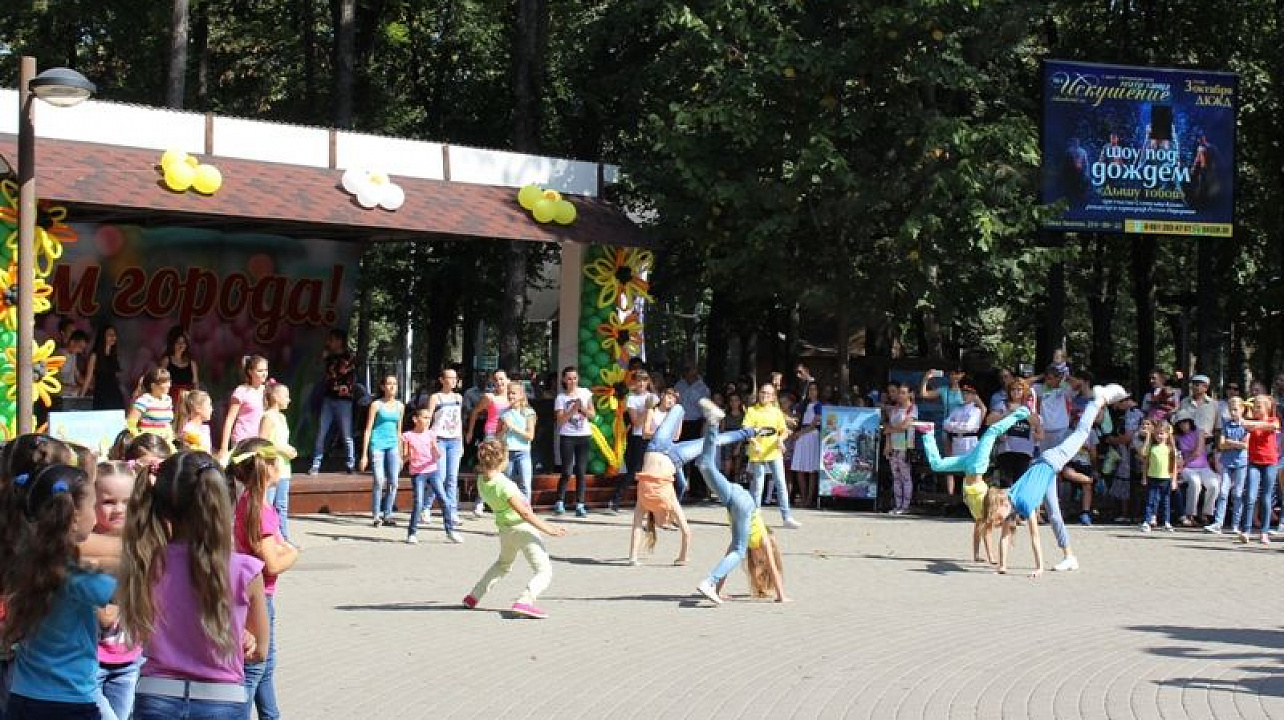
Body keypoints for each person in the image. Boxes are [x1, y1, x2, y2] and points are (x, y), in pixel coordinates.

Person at [119, 451, 269, 720]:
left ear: (162, 505)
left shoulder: (144, 563)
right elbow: (259, 653)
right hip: (222, 697)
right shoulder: (246, 570)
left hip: (157, 694)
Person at [2, 464, 113, 720]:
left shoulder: (21, 563)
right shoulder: (73, 575)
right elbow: (126, 594)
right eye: (93, 505)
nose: (96, 515)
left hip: (22, 697)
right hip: (69, 700)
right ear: (74, 517)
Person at [997, 384, 1127, 575]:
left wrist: (1034, 568)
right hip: (1048, 468)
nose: (1001, 517)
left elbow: (1011, 535)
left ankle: (1099, 401)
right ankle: (1069, 556)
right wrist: (1005, 567)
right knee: (1054, 515)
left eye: (999, 514)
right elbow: (1025, 537)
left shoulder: (1012, 497)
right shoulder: (1023, 506)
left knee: (1082, 433)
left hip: (1050, 460)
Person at [692, 400, 790, 604]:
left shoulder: (741, 538)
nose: (762, 557)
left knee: (705, 465)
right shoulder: (763, 537)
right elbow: (773, 567)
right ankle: (709, 582)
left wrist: (718, 592)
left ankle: (712, 422)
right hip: (743, 502)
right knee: (737, 551)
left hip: (732, 498)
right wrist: (782, 597)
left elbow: (726, 563)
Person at [228, 439, 298, 720]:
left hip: (253, 594)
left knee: (264, 667)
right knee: (255, 667)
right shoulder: (259, 510)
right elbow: (271, 564)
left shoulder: (250, 502)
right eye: (276, 460)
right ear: (265, 466)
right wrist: (293, 553)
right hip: (259, 597)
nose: (280, 466)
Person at [462, 440, 566, 619]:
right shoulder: (505, 485)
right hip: (522, 529)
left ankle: (474, 596)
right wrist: (549, 529)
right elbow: (524, 513)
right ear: (502, 460)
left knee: (503, 564)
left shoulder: (482, 480)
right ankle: (525, 601)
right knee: (544, 570)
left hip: (505, 529)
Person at [914, 405, 1032, 562]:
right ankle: (1019, 414)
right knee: (991, 432)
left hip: (968, 466)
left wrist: (977, 556)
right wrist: (992, 557)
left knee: (937, 465)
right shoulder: (989, 509)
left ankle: (928, 432)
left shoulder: (981, 518)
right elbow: (987, 533)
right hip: (977, 467)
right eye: (999, 519)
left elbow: (979, 532)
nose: (997, 520)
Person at [92, 461, 142, 720]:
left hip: (129, 659)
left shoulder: (141, 543)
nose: (119, 509)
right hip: (90, 661)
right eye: (109, 501)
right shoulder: (84, 546)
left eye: (127, 501)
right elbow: (105, 614)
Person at [744, 383, 800, 527]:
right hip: (758, 454)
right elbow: (746, 430)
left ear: (773, 397)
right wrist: (754, 443)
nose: (764, 395)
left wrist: (781, 440)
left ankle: (787, 517)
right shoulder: (751, 411)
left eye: (768, 394)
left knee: (781, 484)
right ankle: (754, 519)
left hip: (774, 453)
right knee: (757, 487)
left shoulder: (776, 412)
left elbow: (784, 430)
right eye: (762, 392)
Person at [628, 451, 693, 567]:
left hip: (663, 452)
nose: (667, 521)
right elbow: (686, 532)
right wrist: (682, 558)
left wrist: (682, 558)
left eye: (664, 523)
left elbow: (636, 528)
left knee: (712, 441)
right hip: (663, 453)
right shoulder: (664, 502)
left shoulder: (652, 501)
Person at [401, 405, 455, 544]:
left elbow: (436, 453)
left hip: (432, 470)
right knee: (418, 502)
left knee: (444, 499)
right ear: (415, 419)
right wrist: (408, 456)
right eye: (424, 418)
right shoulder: (408, 436)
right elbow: (404, 457)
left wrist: (437, 452)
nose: (427, 421)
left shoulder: (431, 434)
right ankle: (412, 533)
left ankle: (450, 531)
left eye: (429, 418)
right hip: (418, 473)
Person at [309, 329, 357, 475]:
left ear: (339, 341)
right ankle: (316, 464)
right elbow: (323, 371)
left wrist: (329, 358)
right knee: (321, 432)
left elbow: (341, 371)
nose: (329, 342)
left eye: (332, 340)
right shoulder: (329, 357)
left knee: (346, 434)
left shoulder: (349, 356)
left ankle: (350, 463)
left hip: (344, 400)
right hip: (329, 398)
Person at [360, 374, 405, 527]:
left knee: (394, 481)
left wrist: (401, 453)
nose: (392, 387)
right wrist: (364, 455)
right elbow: (368, 429)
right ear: (383, 387)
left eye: (395, 384)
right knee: (379, 480)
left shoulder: (400, 406)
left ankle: (388, 514)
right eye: (389, 383)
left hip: (393, 444)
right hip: (377, 444)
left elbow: (399, 431)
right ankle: (376, 515)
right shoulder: (376, 405)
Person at [465, 370, 511, 518]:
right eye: (496, 380)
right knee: (489, 468)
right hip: (491, 434)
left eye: (502, 379)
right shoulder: (489, 397)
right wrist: (470, 431)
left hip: (508, 435)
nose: (500, 382)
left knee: (504, 469)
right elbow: (475, 412)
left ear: (507, 380)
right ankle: (480, 501)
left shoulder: (513, 397)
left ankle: (499, 501)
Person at [423, 367, 465, 529]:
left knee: (452, 478)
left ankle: (451, 511)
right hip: (439, 439)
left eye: (455, 378)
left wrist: (460, 442)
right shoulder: (436, 397)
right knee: (439, 477)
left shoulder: (458, 398)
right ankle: (426, 507)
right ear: (442, 380)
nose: (454, 381)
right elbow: (427, 418)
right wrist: (429, 441)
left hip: (454, 440)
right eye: (450, 377)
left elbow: (459, 421)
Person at [611, 371, 657, 514]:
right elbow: (636, 422)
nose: (641, 383)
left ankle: (652, 503)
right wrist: (647, 409)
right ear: (634, 383)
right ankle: (615, 499)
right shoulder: (632, 399)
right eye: (638, 381)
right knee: (634, 471)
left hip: (654, 436)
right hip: (639, 437)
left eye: (644, 380)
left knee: (653, 471)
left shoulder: (654, 397)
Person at [1237, 395, 1280, 546]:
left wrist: (1253, 424)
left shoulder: (1274, 420)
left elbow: (1273, 427)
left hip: (1270, 462)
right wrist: (1247, 420)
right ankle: (1246, 530)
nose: (1256, 409)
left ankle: (1264, 532)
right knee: (1250, 495)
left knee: (1266, 498)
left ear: (1267, 408)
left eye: (1259, 406)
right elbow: (1243, 424)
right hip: (1254, 462)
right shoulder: (1251, 422)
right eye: (1255, 406)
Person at [259, 382, 298, 541]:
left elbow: (282, 440)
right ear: (275, 397)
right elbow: (262, 442)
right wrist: (282, 449)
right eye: (286, 396)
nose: (289, 399)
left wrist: (290, 449)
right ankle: (267, 538)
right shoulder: (268, 417)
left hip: (284, 468)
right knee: (268, 504)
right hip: (271, 467)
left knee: (281, 506)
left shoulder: (282, 417)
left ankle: (283, 539)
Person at [554, 367, 595, 517]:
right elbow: (560, 420)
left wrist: (582, 408)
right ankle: (559, 501)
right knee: (566, 471)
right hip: (567, 436)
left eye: (575, 378)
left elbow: (592, 414)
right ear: (564, 380)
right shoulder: (561, 398)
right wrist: (572, 410)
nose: (572, 381)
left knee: (581, 472)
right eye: (569, 378)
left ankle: (580, 504)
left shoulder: (585, 393)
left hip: (584, 435)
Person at [989, 379, 1042, 488]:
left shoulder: (1028, 407)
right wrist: (1008, 413)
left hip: (1024, 451)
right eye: (1013, 389)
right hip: (1006, 449)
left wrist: (1021, 412)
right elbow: (989, 420)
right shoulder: (1002, 405)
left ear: (1024, 391)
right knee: (1005, 484)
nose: (1016, 392)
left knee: (1020, 485)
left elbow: (1037, 422)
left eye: (1019, 389)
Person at [1208, 396, 1248, 535]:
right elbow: (1221, 444)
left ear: (1242, 409)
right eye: (1231, 410)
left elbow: (1246, 445)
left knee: (1237, 494)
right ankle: (1218, 523)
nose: (1233, 413)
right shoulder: (1226, 424)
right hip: (1227, 462)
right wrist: (1234, 444)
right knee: (1223, 492)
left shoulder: (1246, 425)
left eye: (1236, 410)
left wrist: (1230, 443)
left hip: (1241, 463)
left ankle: (1235, 525)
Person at [218, 355, 268, 463]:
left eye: (266, 370)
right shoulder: (241, 391)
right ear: (250, 372)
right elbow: (230, 419)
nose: (264, 374)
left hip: (260, 441)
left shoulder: (267, 391)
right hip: (242, 440)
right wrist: (224, 447)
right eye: (260, 371)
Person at [1173, 411, 1217, 527]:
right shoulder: (1177, 436)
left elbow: (1198, 452)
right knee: (1195, 482)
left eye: (1185, 422)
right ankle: (1190, 514)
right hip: (1188, 468)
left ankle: (1206, 513)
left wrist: (1184, 461)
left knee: (1214, 484)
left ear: (1190, 422)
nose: (1183, 425)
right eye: (1180, 423)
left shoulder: (1199, 432)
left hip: (1202, 466)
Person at [882, 383, 916, 515]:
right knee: (896, 476)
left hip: (905, 445)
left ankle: (906, 505)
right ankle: (897, 505)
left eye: (903, 393)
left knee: (905, 476)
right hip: (894, 445)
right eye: (899, 393)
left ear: (909, 395)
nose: (900, 395)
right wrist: (887, 444)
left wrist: (891, 429)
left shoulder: (912, 408)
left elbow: (906, 425)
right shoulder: (894, 409)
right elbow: (889, 429)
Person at [1140, 421, 1179, 532]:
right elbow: (1145, 461)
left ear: (1167, 434)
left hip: (1166, 478)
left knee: (1166, 502)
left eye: (1162, 433)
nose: (1159, 436)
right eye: (1157, 434)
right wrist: (1144, 477)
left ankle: (1167, 522)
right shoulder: (1152, 448)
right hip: (1153, 477)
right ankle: (1147, 521)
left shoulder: (1170, 449)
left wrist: (1174, 480)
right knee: (1151, 500)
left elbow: (1174, 465)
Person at [501, 382, 537, 501]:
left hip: (523, 452)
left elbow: (530, 436)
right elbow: (498, 435)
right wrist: (503, 430)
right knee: (507, 482)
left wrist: (513, 427)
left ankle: (526, 510)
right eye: (509, 393)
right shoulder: (504, 413)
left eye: (514, 393)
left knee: (525, 483)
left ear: (521, 395)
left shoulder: (528, 412)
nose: (511, 396)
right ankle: (508, 509)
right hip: (507, 451)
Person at [790, 382, 822, 509]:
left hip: (811, 435)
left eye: (814, 389)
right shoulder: (803, 405)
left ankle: (809, 499)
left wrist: (801, 433)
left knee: (811, 469)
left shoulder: (819, 405)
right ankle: (803, 497)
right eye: (810, 390)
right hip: (801, 435)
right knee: (800, 468)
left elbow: (815, 423)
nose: (812, 392)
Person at [82, 325, 126, 411]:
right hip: (101, 393)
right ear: (103, 337)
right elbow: (89, 376)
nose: (113, 337)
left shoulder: (114, 355)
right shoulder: (95, 355)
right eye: (110, 335)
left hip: (115, 392)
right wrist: (81, 395)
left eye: (114, 335)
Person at [126, 367, 175, 442]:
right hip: (150, 444)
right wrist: (140, 440)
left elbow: (167, 423)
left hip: (167, 443)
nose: (169, 385)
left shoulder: (168, 400)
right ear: (153, 385)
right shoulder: (144, 401)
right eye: (165, 382)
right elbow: (131, 424)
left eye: (169, 382)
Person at [159, 330, 200, 408]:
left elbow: (195, 383)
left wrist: (196, 400)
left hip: (186, 401)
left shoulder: (192, 363)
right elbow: (160, 381)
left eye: (183, 342)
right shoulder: (166, 360)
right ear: (173, 344)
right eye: (178, 342)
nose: (181, 345)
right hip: (170, 400)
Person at [175, 389, 214, 453]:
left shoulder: (204, 428)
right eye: (209, 405)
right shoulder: (190, 430)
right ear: (198, 408)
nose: (211, 409)